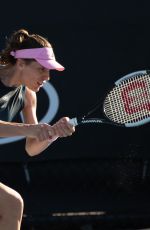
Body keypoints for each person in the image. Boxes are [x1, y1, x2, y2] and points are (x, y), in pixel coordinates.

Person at [0, 28, 75, 230]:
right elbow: (30, 130)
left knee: (11, 204)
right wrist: (31, 129)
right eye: (42, 68)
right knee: (12, 203)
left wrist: (52, 134)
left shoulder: (28, 96)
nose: (47, 76)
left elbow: (31, 148)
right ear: (22, 63)